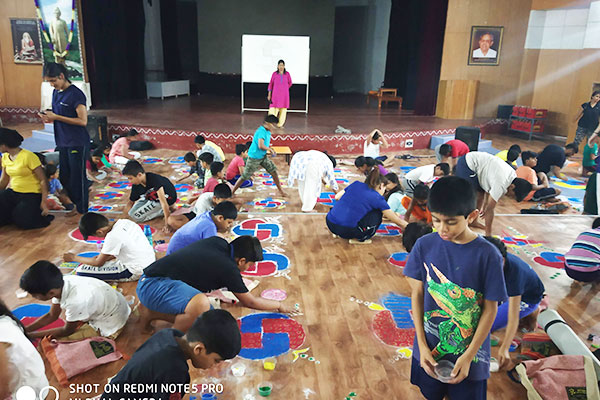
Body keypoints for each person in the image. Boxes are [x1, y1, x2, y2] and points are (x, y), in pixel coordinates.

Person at [404, 176, 507, 398]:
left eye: (450, 222)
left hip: (471, 355)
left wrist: (469, 356)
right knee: (431, 393)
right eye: (436, 220)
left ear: (471, 216)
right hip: (429, 347)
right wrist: (421, 345)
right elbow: (418, 293)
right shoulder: (424, 245)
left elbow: (490, 309)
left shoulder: (488, 255)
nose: (442, 229)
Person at [137, 236, 294, 332]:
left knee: (211, 319)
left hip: (151, 281)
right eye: (250, 265)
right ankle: (172, 343)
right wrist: (279, 305)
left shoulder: (218, 243)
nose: (249, 269)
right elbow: (250, 302)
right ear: (241, 261)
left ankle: (153, 313)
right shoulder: (228, 268)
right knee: (202, 313)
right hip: (152, 286)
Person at [99, 310, 241, 400]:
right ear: (198, 349)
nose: (214, 366)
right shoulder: (174, 370)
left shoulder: (169, 334)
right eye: (216, 360)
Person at [20, 260, 130, 340]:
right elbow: (52, 315)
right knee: (73, 320)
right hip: (114, 305)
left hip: (113, 322)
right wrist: (26, 329)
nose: (33, 297)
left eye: (34, 295)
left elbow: (67, 331)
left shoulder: (76, 301)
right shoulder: (61, 282)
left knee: (56, 342)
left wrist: (31, 335)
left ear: (51, 293)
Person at [484, 237, 545, 370]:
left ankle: (533, 309)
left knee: (486, 324)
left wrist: (505, 348)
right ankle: (530, 311)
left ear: (502, 260)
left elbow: (513, 318)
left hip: (527, 298)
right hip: (509, 290)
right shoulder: (493, 261)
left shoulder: (514, 275)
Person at [40, 63, 90, 214]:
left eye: (53, 80)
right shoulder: (56, 92)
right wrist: (49, 116)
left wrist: (56, 117)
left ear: (61, 76)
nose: (51, 84)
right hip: (62, 141)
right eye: (49, 81)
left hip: (77, 142)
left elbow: (83, 121)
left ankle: (82, 210)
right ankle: (72, 204)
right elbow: (59, 114)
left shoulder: (76, 94)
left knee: (77, 178)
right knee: (65, 177)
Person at [454, 152, 531, 236]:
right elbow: (490, 210)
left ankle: (473, 221)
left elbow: (489, 183)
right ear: (512, 187)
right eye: (511, 195)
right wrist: (488, 234)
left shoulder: (512, 176)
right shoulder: (501, 183)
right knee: (469, 196)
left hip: (480, 167)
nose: (509, 196)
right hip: (468, 163)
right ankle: (456, 222)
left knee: (480, 195)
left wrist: (485, 204)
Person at [64, 212, 156, 281]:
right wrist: (103, 257)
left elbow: (98, 263)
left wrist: (73, 257)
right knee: (101, 261)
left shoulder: (112, 236)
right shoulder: (124, 222)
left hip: (136, 271)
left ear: (99, 232)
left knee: (81, 270)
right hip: (150, 261)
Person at [326, 168, 408, 244]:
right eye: (385, 189)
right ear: (381, 185)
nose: (384, 192)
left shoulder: (356, 184)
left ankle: (338, 232)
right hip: (346, 230)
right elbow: (396, 220)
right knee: (377, 212)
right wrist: (410, 227)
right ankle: (359, 238)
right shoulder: (377, 198)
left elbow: (337, 197)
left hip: (330, 223)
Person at [0, 128, 53, 230]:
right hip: (13, 191)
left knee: (23, 221)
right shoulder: (5, 157)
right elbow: (4, 180)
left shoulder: (29, 156)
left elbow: (43, 180)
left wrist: (44, 201)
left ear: (4, 145)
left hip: (31, 194)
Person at [0, 298, 48, 400]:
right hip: (37, 381)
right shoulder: (6, 319)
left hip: (27, 390)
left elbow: (2, 386)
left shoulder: (2, 333)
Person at [231, 115, 286, 196]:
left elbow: (265, 144)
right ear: (268, 124)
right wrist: (270, 149)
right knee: (245, 176)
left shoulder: (268, 132)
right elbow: (261, 145)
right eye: (274, 125)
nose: (275, 128)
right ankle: (232, 192)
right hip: (254, 157)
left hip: (263, 156)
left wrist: (269, 148)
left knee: (273, 171)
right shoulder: (261, 131)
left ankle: (281, 191)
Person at [166, 201, 237, 255]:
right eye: (229, 222)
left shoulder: (207, 215)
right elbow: (211, 252)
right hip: (177, 256)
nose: (230, 225)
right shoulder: (209, 226)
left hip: (174, 250)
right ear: (220, 218)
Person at [122, 160, 177, 228]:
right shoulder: (137, 184)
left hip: (165, 200)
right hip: (151, 198)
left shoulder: (155, 180)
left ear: (139, 175)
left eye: (130, 178)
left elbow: (163, 203)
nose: (130, 181)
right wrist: (123, 219)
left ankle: (166, 209)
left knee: (136, 217)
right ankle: (164, 209)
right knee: (131, 214)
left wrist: (167, 223)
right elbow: (131, 202)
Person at [167, 183, 232, 231]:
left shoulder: (222, 199)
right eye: (223, 201)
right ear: (215, 198)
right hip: (196, 216)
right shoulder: (204, 202)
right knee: (171, 220)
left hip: (212, 218)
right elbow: (200, 222)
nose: (224, 204)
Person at [564, 218, 600, 282]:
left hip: (569, 270)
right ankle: (596, 285)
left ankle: (577, 281)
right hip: (591, 273)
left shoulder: (585, 232)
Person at [268, 60, 292, 127]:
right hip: (275, 95)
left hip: (284, 96)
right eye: (280, 65)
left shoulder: (287, 74)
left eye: (282, 65)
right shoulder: (274, 74)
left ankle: (280, 124)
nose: (281, 67)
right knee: (273, 109)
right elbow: (271, 84)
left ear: (284, 66)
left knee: (283, 110)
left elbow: (290, 83)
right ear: (277, 66)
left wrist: (284, 88)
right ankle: (270, 123)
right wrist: (269, 94)